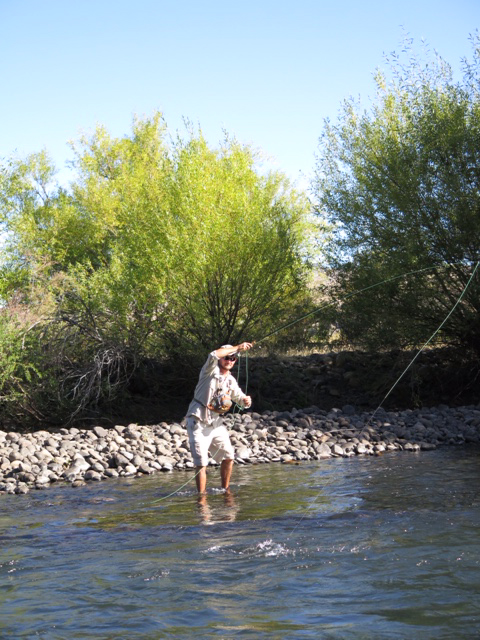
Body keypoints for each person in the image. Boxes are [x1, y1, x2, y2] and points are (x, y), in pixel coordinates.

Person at [185, 342, 253, 493]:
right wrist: (237, 347)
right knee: (201, 463)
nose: (229, 360)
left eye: (233, 358)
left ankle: (225, 490)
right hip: (198, 421)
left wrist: (246, 401)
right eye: (227, 357)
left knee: (229, 456)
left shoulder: (230, 380)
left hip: (216, 423)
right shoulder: (209, 370)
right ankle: (201, 498)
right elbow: (213, 355)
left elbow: (240, 398)